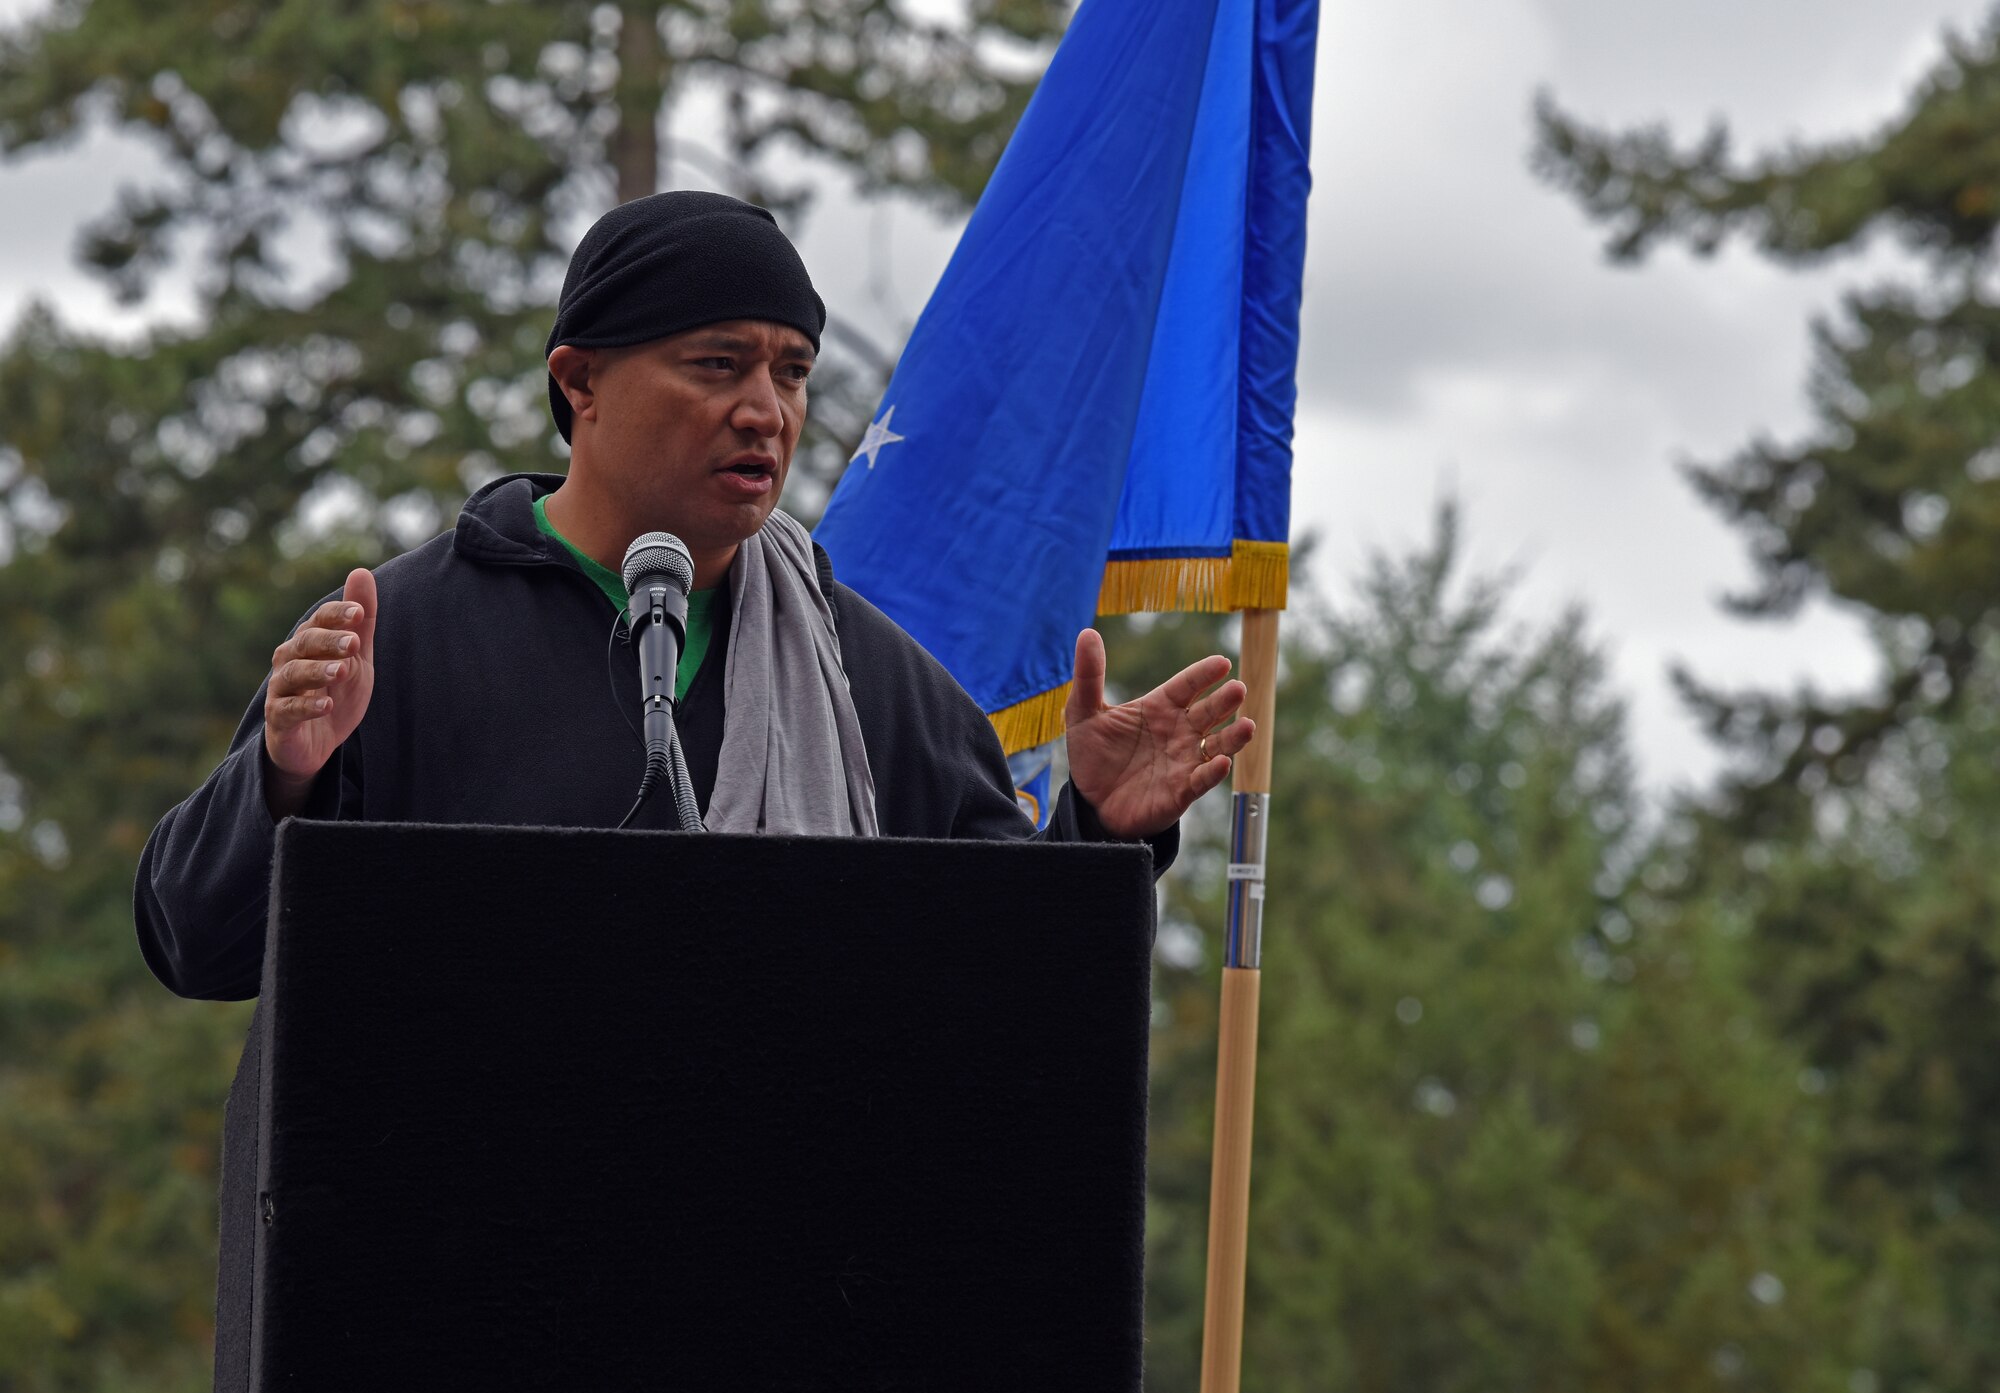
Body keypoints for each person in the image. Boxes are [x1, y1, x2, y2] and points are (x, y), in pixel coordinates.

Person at [135, 192, 1254, 1001]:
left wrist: (1097, 832)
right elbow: (198, 946)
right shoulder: (409, 636)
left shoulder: (866, 675)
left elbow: (1005, 984)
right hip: (468, 1285)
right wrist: (287, 778)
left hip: (788, 1290)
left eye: (791, 371)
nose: (765, 408)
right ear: (579, 382)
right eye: (718, 364)